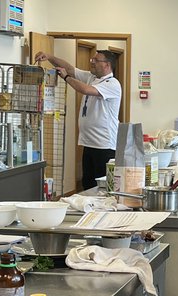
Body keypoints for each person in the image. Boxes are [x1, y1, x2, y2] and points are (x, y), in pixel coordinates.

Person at [34, 48, 121, 190]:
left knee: (104, 187)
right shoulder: (92, 77)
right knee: (88, 184)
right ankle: (89, 211)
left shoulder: (112, 84)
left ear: (107, 65)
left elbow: (86, 90)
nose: (91, 62)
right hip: (89, 142)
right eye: (92, 59)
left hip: (104, 144)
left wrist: (66, 78)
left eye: (96, 60)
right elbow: (69, 68)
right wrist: (49, 56)